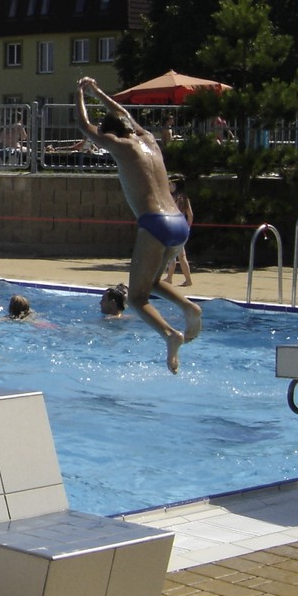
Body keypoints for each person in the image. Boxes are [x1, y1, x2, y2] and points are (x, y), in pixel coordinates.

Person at [76, 76, 202, 373]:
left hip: (155, 223)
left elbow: (83, 125)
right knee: (154, 281)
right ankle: (189, 307)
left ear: (110, 134)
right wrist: (98, 91)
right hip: (179, 224)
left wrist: (80, 93)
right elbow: (122, 113)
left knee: (135, 297)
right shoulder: (149, 140)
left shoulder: (118, 145)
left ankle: (170, 335)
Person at [161, 178, 194, 287]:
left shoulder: (171, 198)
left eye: (170, 184)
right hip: (182, 227)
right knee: (177, 255)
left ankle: (186, 280)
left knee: (175, 254)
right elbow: (190, 216)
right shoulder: (185, 198)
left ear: (175, 185)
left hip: (173, 227)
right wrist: (187, 228)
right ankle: (170, 278)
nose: (169, 186)